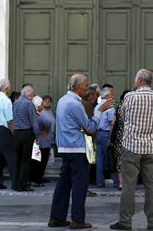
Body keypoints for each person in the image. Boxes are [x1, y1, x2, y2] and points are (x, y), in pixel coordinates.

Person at [48, 74, 113, 229]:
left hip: (65, 147)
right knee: (79, 185)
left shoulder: (63, 100)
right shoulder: (75, 104)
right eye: (85, 85)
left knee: (63, 183)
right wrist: (99, 112)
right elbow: (90, 127)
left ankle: (56, 217)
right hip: (76, 148)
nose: (87, 88)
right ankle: (77, 219)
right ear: (77, 87)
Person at [110, 69, 153, 230]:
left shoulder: (130, 96)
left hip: (132, 146)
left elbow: (123, 117)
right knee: (151, 186)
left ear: (139, 80)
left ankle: (125, 222)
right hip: (151, 146)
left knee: (129, 186)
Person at [12, 84, 40, 192]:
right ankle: (22, 185)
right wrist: (37, 136)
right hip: (27, 134)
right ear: (29, 94)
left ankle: (15, 183)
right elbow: (34, 123)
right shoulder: (29, 104)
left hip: (17, 133)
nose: (33, 97)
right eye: (32, 95)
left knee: (17, 160)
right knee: (26, 160)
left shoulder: (15, 103)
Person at [109, 89, 131, 191]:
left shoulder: (118, 108)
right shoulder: (133, 109)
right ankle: (129, 183)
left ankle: (121, 183)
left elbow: (113, 124)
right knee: (131, 160)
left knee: (119, 160)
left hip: (119, 138)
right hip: (131, 138)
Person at [31, 95, 55, 187]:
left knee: (37, 161)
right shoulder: (41, 114)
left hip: (39, 140)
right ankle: (37, 180)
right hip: (43, 141)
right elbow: (47, 123)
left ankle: (35, 179)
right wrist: (46, 130)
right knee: (41, 162)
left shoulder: (34, 113)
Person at [94, 87, 115, 188]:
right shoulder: (109, 108)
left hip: (98, 133)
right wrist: (112, 138)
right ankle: (117, 180)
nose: (113, 96)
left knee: (99, 159)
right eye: (111, 94)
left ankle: (99, 181)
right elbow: (112, 124)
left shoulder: (97, 106)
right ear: (107, 96)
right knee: (111, 157)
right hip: (106, 134)